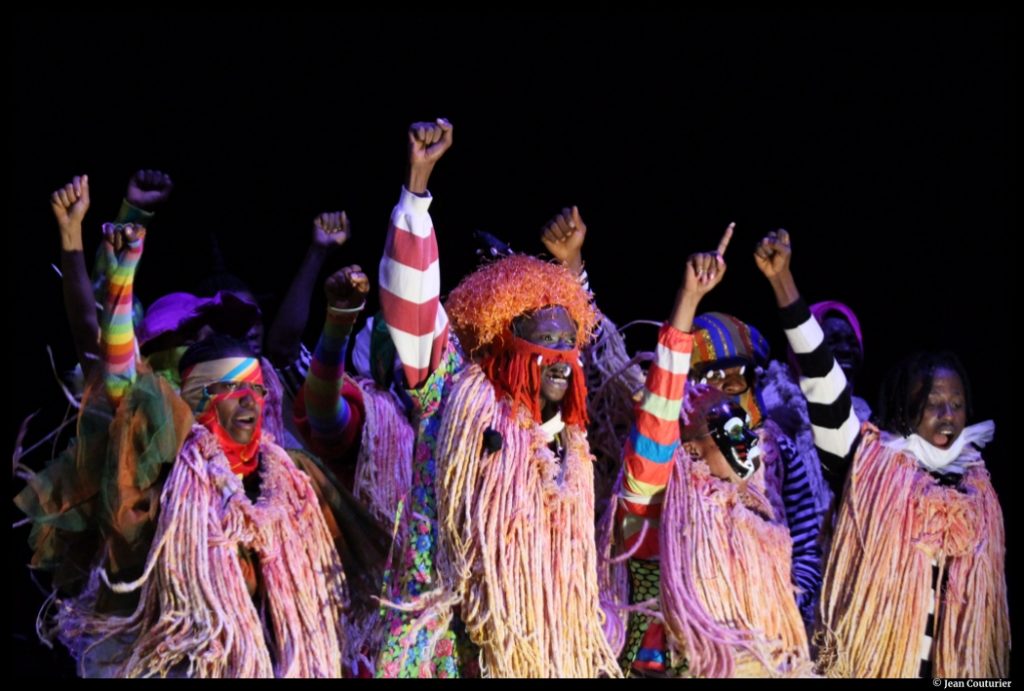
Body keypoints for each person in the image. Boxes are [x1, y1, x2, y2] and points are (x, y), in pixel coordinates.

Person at [373, 119, 618, 678]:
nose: (561, 356)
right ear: (502, 340)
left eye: (568, 342)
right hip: (449, 647)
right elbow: (412, 310)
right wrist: (417, 189)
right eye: (544, 338)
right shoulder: (455, 394)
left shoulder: (567, 441)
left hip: (533, 651)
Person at [756, 228, 1009, 678]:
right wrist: (784, 284)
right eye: (932, 402)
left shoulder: (979, 495)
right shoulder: (869, 463)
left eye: (956, 403)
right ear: (905, 408)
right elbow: (824, 382)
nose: (947, 415)